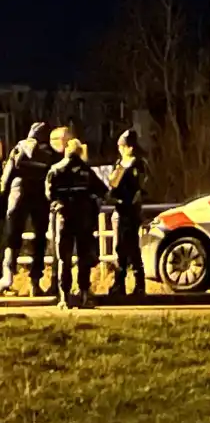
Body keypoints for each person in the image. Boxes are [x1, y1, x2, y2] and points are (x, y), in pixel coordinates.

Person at [46, 139, 109, 308]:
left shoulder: (56, 170)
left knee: (64, 259)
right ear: (80, 152)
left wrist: (59, 205)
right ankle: (84, 294)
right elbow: (102, 191)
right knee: (84, 259)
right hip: (84, 219)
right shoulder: (86, 171)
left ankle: (64, 297)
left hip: (64, 219)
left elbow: (49, 194)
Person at [0, 123, 58, 296]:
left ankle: (7, 277)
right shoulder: (50, 153)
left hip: (18, 195)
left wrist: (3, 196)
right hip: (40, 197)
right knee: (39, 239)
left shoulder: (19, 148)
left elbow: (6, 177)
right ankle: (35, 281)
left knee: (12, 238)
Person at [108, 129, 149, 297]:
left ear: (129, 147)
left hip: (129, 212)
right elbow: (112, 185)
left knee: (131, 248)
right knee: (121, 249)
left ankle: (137, 285)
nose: (120, 150)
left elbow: (140, 189)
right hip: (120, 210)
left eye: (122, 147)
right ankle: (120, 284)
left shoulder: (137, 165)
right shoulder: (120, 164)